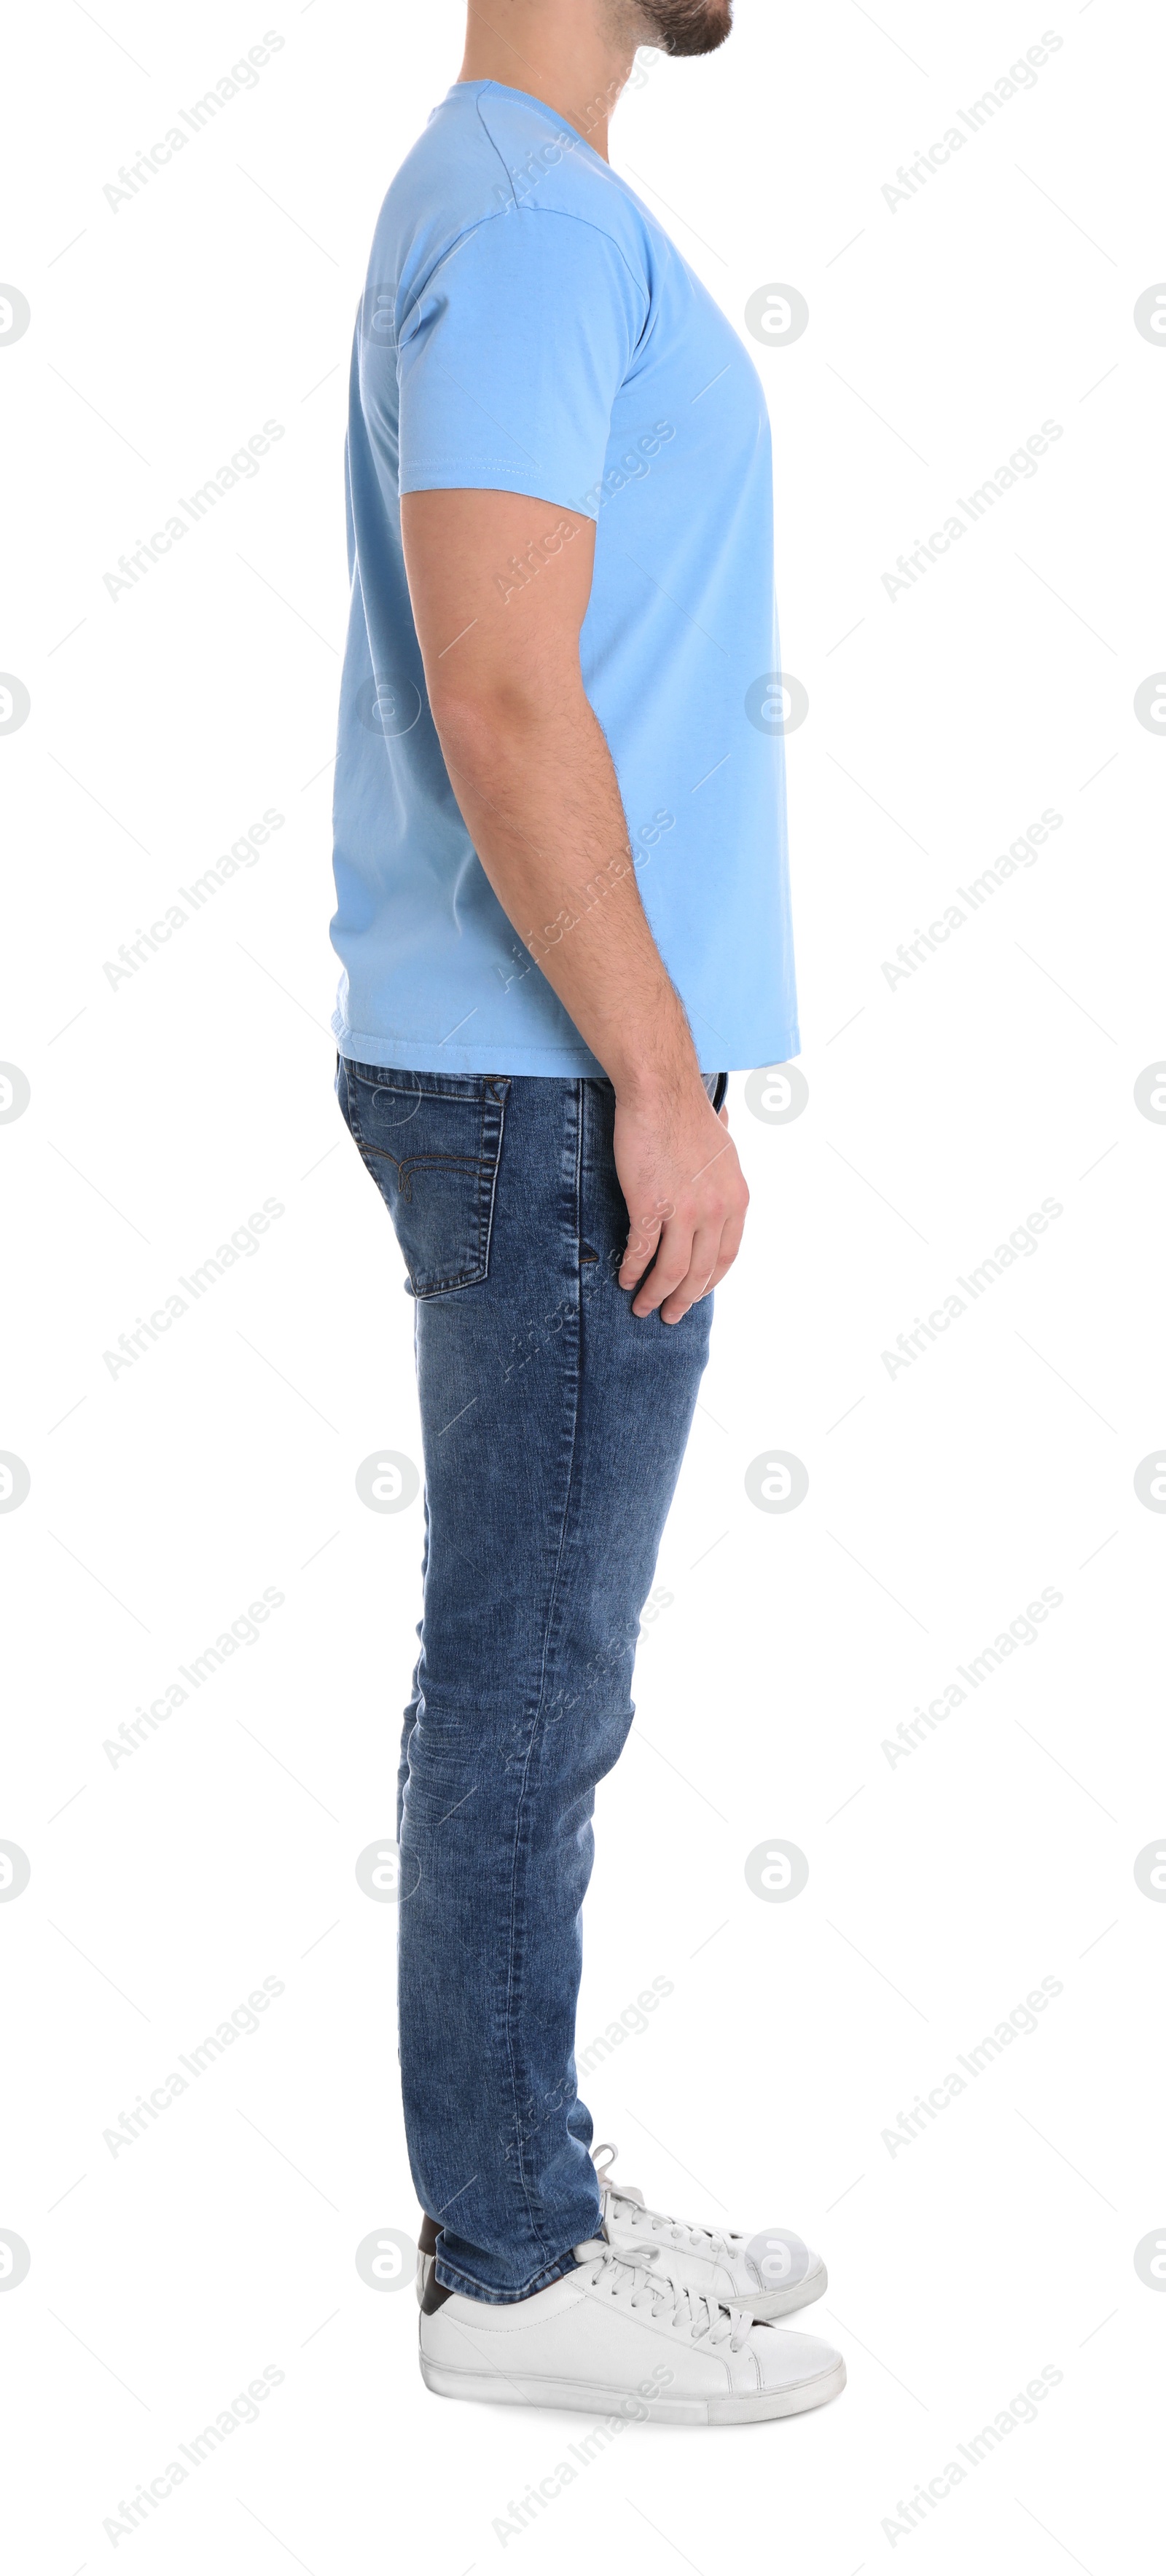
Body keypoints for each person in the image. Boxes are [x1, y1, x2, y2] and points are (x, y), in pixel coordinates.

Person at [329, 0, 845, 2424]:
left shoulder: (536, 203)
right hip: (553, 1076)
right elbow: (504, 689)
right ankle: (513, 2275)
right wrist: (657, 1073)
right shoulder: (530, 219)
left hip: (549, 1063)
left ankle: (522, 2166)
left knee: (545, 1675)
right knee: (530, 1687)